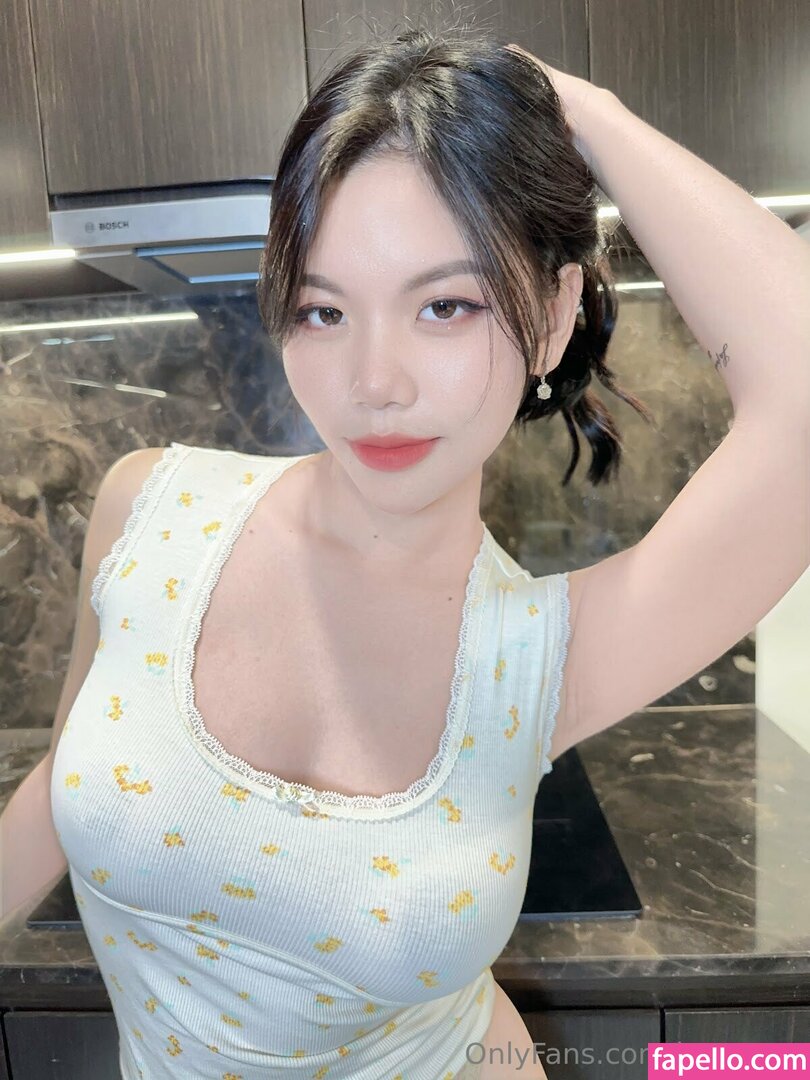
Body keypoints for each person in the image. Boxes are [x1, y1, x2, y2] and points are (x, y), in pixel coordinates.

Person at [4, 18, 809, 1080]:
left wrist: (577, 107)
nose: (373, 382)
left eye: (445, 304)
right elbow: (66, 776)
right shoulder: (149, 509)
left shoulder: (539, 656)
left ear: (554, 316)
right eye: (323, 310)